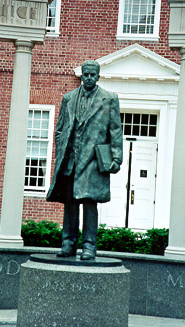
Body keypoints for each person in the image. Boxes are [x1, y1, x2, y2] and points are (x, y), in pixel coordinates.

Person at [46, 60, 123, 260]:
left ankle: (89, 246)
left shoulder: (109, 99)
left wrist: (117, 157)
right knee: (70, 203)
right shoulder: (69, 98)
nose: (89, 78)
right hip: (70, 160)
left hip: (93, 161)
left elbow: (115, 131)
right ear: (82, 75)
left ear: (98, 76)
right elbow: (60, 129)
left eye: (92, 75)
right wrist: (61, 153)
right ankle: (68, 244)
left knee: (89, 203)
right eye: (86, 74)